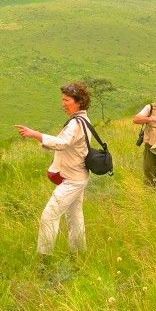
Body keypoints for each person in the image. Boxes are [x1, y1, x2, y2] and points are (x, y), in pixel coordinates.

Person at [15, 83, 92, 259]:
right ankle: (79, 254)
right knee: (75, 218)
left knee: (49, 215)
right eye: (62, 100)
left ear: (78, 102)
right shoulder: (82, 120)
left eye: (66, 100)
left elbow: (62, 143)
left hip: (73, 180)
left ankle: (44, 258)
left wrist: (35, 134)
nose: (63, 103)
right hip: (78, 177)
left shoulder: (75, 123)